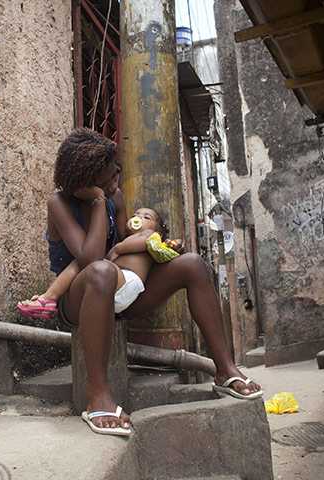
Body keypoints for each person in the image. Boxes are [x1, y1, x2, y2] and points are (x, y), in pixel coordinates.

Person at [38, 128, 262, 437]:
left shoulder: (114, 195)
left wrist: (165, 246)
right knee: (101, 272)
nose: (115, 185)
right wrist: (99, 202)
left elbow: (126, 244)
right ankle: (98, 395)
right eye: (104, 183)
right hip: (80, 299)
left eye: (116, 175)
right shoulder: (60, 204)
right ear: (82, 184)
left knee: (192, 264)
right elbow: (91, 259)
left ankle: (224, 369)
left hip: (119, 290)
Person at [17, 207, 177, 320]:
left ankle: (49, 298)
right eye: (135, 215)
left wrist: (118, 249)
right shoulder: (128, 237)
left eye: (146, 217)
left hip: (127, 282)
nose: (138, 218)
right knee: (85, 263)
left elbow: (146, 242)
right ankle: (49, 299)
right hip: (111, 289)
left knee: (84, 261)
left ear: (158, 233)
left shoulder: (149, 234)